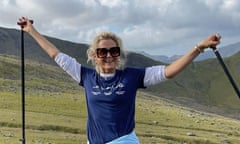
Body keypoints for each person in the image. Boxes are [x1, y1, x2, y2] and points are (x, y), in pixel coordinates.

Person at [17, 17, 221, 144]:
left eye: (113, 51)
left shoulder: (132, 76)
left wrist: (199, 48)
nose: (108, 55)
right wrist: (31, 30)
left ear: (119, 54)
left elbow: (169, 71)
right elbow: (56, 54)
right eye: (102, 51)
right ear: (94, 55)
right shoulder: (85, 76)